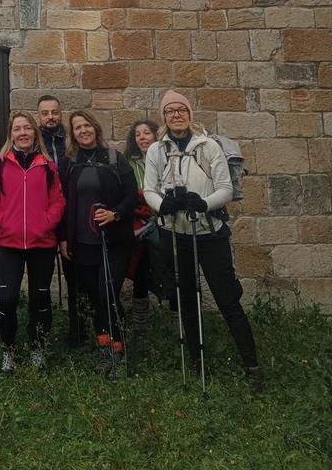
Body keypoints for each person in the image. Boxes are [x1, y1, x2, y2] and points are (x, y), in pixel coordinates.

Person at [143, 90, 262, 390]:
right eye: (169, 111)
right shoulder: (157, 150)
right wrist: (161, 206)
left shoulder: (209, 146)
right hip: (175, 233)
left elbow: (225, 188)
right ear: (164, 117)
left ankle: (252, 365)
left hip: (210, 233)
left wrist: (204, 203)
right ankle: (197, 361)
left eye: (181, 109)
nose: (176, 115)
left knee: (227, 299)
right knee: (186, 300)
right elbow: (149, 188)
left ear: (190, 114)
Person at [0, 112, 65, 374]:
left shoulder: (48, 165)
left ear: (34, 133)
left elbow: (58, 201)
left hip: (42, 243)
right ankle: (8, 349)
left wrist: (45, 223)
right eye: (17, 129)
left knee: (40, 299)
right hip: (10, 242)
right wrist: (4, 222)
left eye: (27, 128)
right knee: (7, 299)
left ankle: (37, 347)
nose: (23, 133)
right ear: (11, 134)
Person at [57, 110, 137, 376]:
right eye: (77, 128)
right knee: (95, 298)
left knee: (107, 294)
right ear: (73, 134)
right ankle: (104, 348)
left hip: (114, 241)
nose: (83, 130)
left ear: (95, 127)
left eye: (86, 125)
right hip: (83, 242)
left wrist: (115, 213)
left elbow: (131, 196)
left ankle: (118, 352)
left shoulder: (115, 158)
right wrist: (64, 238)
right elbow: (63, 204)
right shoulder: (69, 163)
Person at [37, 93, 80, 344]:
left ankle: (77, 330)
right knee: (42, 275)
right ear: (39, 115)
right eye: (45, 113)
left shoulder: (72, 139)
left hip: (71, 213)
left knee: (73, 274)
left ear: (60, 113)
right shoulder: (32, 140)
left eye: (54, 112)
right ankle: (43, 333)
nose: (50, 117)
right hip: (43, 213)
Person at [123, 118, 162, 343]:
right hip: (140, 226)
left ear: (156, 136)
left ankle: (180, 327)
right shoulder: (129, 163)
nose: (142, 138)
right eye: (138, 135)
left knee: (169, 273)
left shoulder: (165, 159)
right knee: (140, 275)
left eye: (147, 133)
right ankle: (140, 330)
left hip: (165, 225)